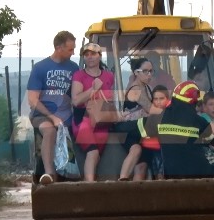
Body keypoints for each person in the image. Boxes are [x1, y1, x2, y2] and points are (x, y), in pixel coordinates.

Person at [131, 80, 214, 179]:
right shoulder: (199, 121)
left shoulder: (159, 118)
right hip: (199, 176)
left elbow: (131, 128)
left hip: (172, 177)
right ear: (193, 101)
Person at [27, 30, 79, 185]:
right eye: (70, 49)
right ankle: (49, 174)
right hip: (42, 115)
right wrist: (52, 116)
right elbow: (32, 99)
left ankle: (77, 174)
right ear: (58, 48)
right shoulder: (40, 68)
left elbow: (76, 95)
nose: (73, 52)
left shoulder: (73, 68)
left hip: (67, 116)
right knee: (49, 131)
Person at [70, 43, 115, 182]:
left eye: (93, 54)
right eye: (86, 55)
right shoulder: (79, 75)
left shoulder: (109, 76)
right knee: (93, 152)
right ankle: (90, 187)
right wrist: (93, 89)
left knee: (97, 155)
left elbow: (111, 98)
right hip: (83, 120)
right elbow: (76, 101)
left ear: (99, 56)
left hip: (102, 120)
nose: (90, 57)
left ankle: (90, 184)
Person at [118, 57, 160, 181]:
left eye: (151, 71)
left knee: (141, 164)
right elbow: (151, 109)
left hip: (142, 132)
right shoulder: (136, 89)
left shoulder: (148, 88)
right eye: (146, 71)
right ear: (136, 73)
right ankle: (122, 179)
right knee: (137, 148)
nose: (149, 74)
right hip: (130, 128)